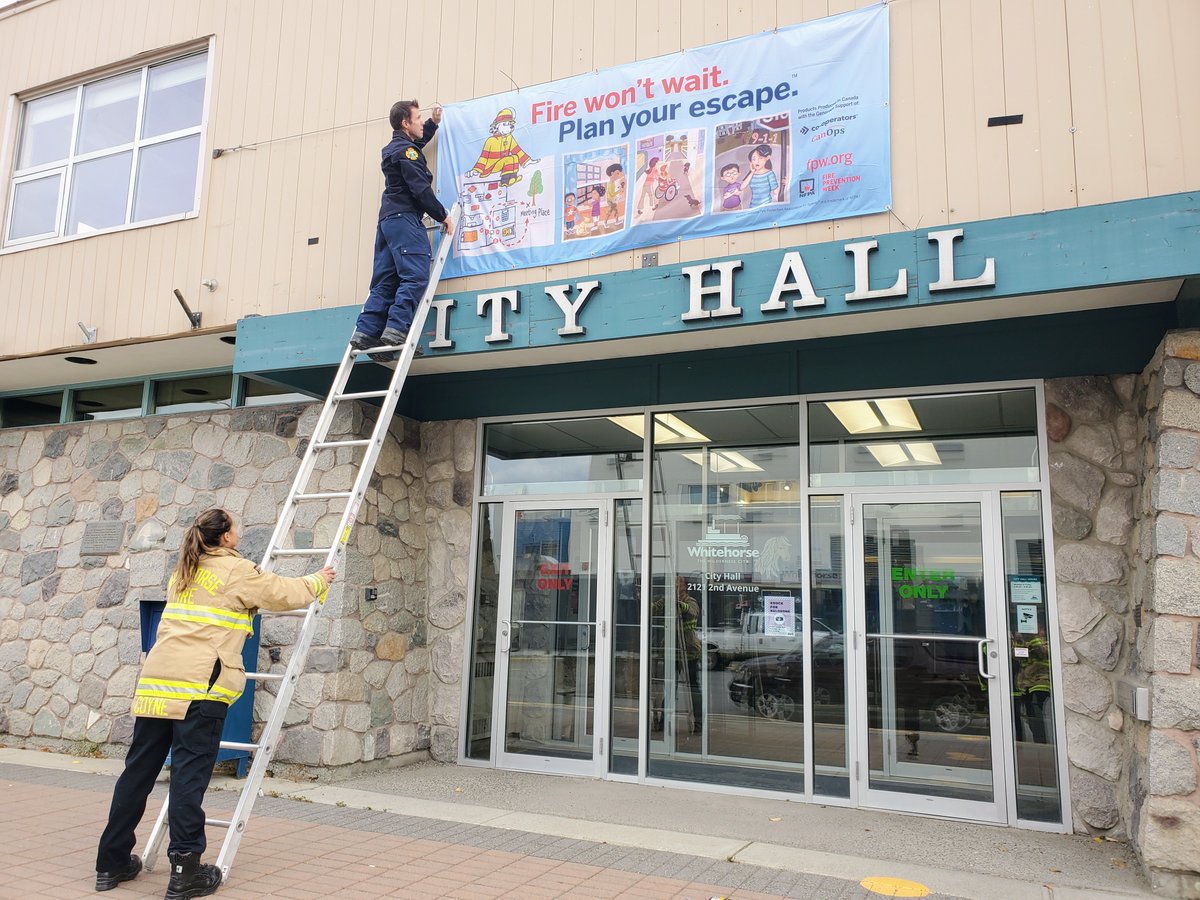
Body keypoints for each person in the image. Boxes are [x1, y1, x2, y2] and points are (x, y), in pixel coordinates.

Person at [95, 508, 335, 898]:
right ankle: (185, 870)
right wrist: (318, 580)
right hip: (199, 687)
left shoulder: (184, 570)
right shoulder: (235, 570)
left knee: (137, 773)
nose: (238, 531)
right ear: (225, 537)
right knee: (189, 777)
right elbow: (282, 593)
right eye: (235, 526)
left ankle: (111, 862)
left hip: (157, 683)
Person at [349, 100, 452, 363]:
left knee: (385, 281)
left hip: (388, 223)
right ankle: (396, 331)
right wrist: (443, 216)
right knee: (415, 276)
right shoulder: (407, 153)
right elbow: (420, 188)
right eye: (418, 118)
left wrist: (433, 123)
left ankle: (366, 333)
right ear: (405, 123)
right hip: (405, 220)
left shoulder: (396, 148)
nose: (421, 122)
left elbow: (414, 146)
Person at [741, 144, 779, 208]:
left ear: (767, 158)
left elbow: (776, 192)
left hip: (767, 206)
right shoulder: (751, 174)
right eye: (754, 159)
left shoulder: (769, 174)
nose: (756, 162)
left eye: (760, 158)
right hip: (753, 207)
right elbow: (742, 187)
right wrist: (752, 172)